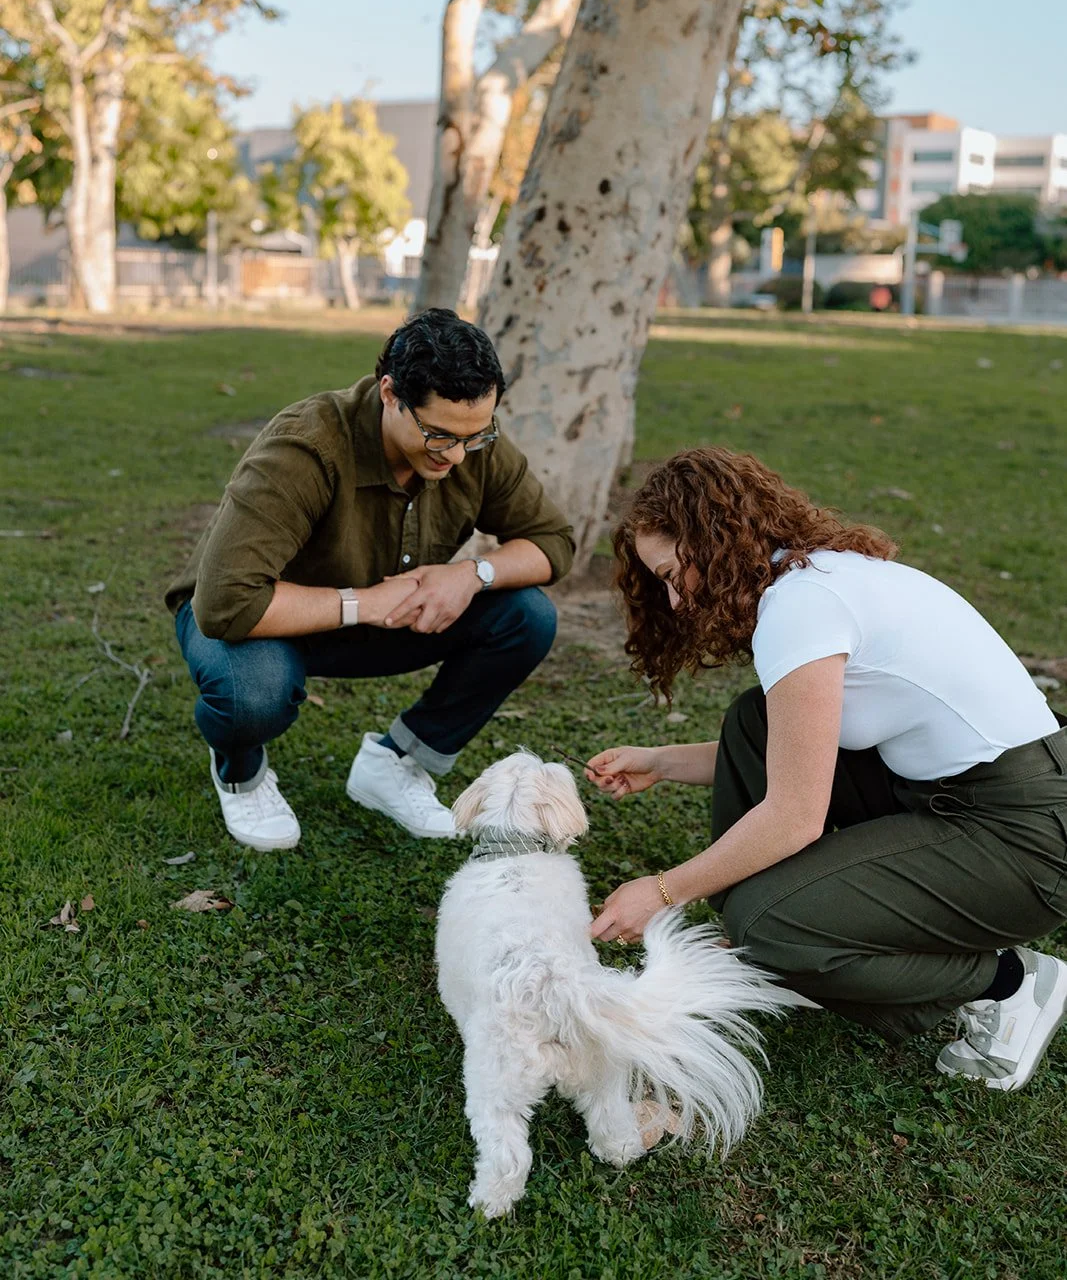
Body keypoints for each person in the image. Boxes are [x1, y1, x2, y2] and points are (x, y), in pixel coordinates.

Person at [585, 447, 1067, 1093]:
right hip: (956, 793)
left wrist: (664, 890)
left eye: (675, 573)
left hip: (1026, 837)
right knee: (751, 721)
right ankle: (790, 932)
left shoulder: (799, 609)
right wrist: (662, 762)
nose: (674, 602)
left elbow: (794, 815)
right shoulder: (821, 575)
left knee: (765, 925)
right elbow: (791, 748)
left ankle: (1006, 984)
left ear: (711, 539)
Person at [166, 309, 573, 851]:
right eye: (437, 435)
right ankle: (241, 770)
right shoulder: (304, 447)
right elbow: (225, 603)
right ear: (389, 394)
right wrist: (367, 602)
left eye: (474, 436)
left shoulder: (472, 441)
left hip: (381, 618)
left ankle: (396, 763)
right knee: (252, 695)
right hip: (260, 623)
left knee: (527, 615)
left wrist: (473, 574)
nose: (454, 455)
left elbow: (554, 542)